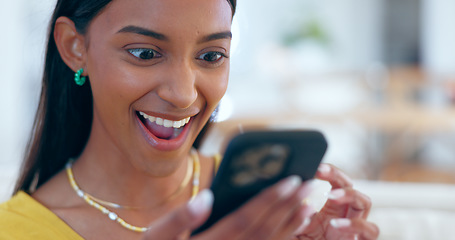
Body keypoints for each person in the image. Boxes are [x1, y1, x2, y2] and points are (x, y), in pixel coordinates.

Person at [0, 0, 379, 239]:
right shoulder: (16, 231)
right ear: (74, 47)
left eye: (212, 56)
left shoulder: (272, 208)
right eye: (146, 53)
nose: (183, 94)